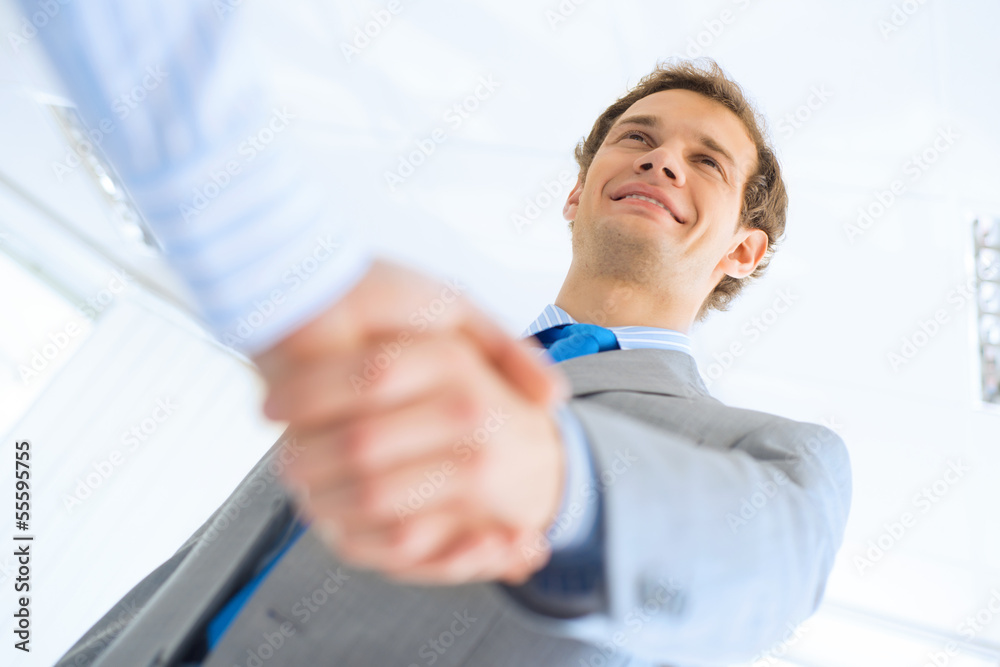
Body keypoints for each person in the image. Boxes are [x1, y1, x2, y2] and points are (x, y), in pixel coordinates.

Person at [50, 39, 852, 665]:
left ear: (745, 252)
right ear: (576, 195)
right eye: (636, 137)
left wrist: (552, 474)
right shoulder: (402, 363)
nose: (661, 158)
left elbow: (767, 570)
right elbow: (195, 572)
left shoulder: (766, 457)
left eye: (706, 160)